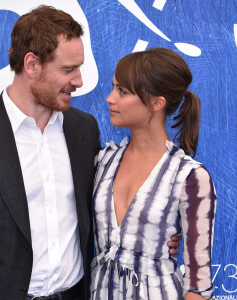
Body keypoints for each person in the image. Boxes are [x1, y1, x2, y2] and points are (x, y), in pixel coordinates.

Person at [0, 6, 181, 300]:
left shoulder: (83, 128)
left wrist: (155, 234)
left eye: (79, 68)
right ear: (31, 65)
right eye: (68, 70)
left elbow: (108, 203)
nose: (78, 81)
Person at [90, 48, 217, 300]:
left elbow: (198, 286)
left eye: (122, 91)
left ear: (157, 103)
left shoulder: (189, 176)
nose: (109, 98)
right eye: (114, 87)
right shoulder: (102, 160)